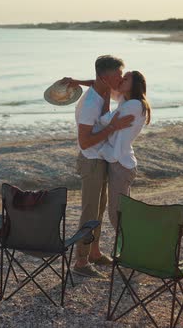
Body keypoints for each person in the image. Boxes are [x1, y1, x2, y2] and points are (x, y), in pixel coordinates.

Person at [64, 55, 135, 278]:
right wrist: (112, 127)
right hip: (91, 160)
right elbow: (85, 141)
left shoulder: (103, 88)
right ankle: (81, 261)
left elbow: (94, 82)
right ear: (106, 77)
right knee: (89, 211)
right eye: (118, 75)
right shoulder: (90, 104)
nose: (121, 79)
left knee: (100, 208)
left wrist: (77, 81)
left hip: (102, 158)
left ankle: (94, 252)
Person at [98, 71, 151, 228]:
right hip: (120, 162)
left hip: (121, 165)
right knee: (120, 213)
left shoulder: (134, 105)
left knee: (116, 214)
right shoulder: (124, 100)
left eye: (125, 78)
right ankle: (129, 248)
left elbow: (104, 121)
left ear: (134, 84)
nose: (121, 80)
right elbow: (105, 85)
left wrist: (107, 100)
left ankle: (129, 248)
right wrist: (77, 82)